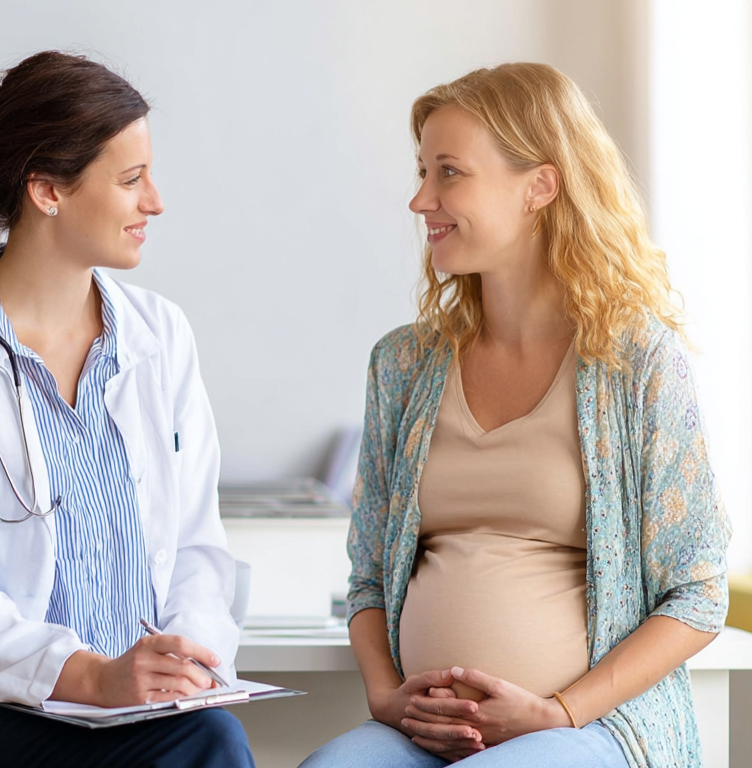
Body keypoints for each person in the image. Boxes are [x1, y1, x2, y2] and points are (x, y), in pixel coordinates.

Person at [301, 63, 730, 767]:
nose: (420, 200)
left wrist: (558, 710)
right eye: (422, 172)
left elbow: (698, 592)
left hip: (591, 728)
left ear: (539, 186)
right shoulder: (403, 367)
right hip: (420, 735)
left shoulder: (637, 362)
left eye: (448, 173)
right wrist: (385, 695)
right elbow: (370, 579)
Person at [0, 51, 255, 768]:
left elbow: (199, 549)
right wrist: (92, 677)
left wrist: (186, 662)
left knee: (207, 734)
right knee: (208, 748)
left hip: (149, 713)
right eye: (131, 179)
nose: (156, 202)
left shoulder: (159, 337)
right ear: (47, 189)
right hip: (4, 713)